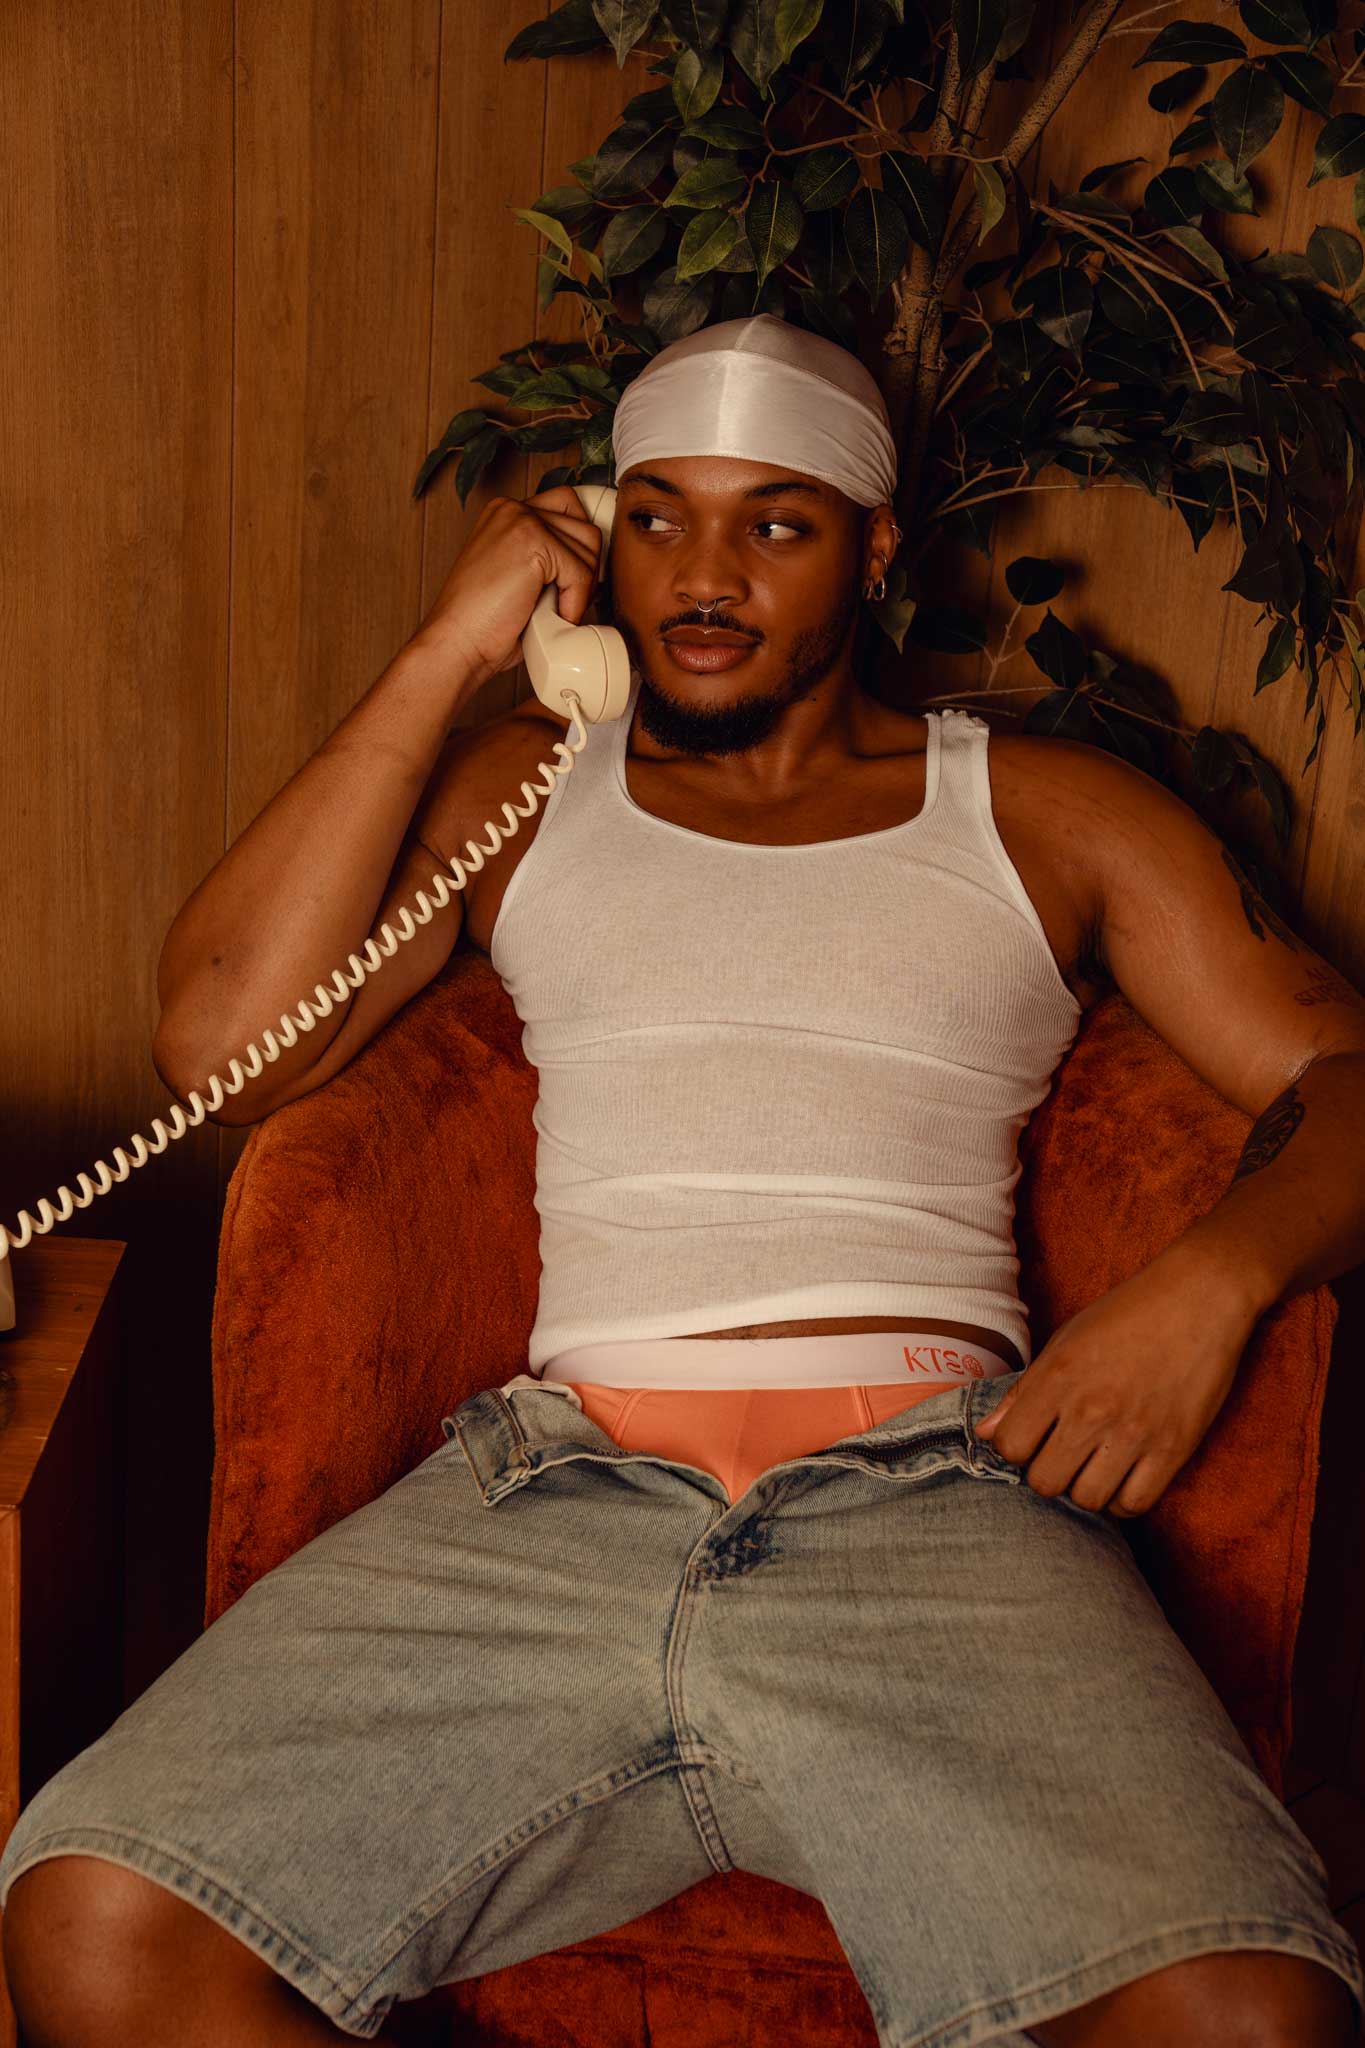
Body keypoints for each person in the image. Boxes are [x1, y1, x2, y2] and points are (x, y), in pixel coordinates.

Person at [3, 314, 1363, 2048]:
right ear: (595, 534)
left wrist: (1205, 1284)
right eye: (656, 517)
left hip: (927, 1501)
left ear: (874, 548)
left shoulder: (1048, 813)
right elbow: (216, 1049)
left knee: (1246, 2015)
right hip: (556, 1495)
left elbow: (1346, 1079)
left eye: (774, 524)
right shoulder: (527, 789)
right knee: (96, 1916)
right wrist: (447, 652)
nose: (703, 574)